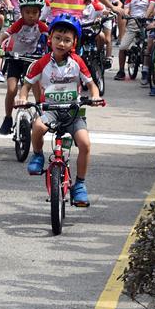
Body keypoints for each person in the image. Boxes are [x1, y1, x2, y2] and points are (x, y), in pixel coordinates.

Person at [17, 14, 103, 206]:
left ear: (74, 42)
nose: (61, 43)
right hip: (51, 110)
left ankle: (80, 184)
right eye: (57, 38)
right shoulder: (42, 62)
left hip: (74, 112)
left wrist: (95, 96)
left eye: (67, 40)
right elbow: (27, 84)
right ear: (50, 39)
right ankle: (38, 154)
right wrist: (22, 98)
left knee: (85, 144)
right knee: (38, 126)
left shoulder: (77, 62)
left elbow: (91, 84)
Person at [0, 0, 49, 135]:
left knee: (37, 86)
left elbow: (51, 38)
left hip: (33, 60)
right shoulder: (19, 24)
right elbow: (4, 35)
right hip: (15, 59)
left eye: (34, 12)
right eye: (27, 12)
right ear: (21, 12)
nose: (31, 15)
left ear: (39, 13)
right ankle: (7, 118)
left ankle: (40, 113)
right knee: (12, 90)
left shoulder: (41, 26)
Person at [114, 0, 150, 81]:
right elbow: (126, 9)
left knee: (148, 48)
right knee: (123, 47)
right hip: (133, 24)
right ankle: (121, 71)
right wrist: (126, 15)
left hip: (146, 25)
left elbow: (152, 10)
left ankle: (146, 70)